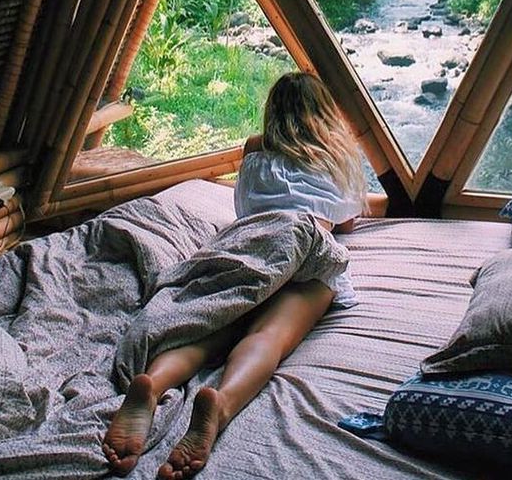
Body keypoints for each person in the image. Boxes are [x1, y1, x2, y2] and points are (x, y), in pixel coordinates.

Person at [103, 72, 369, 478]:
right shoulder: (338, 154)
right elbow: (346, 221)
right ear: (325, 111)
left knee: (213, 326)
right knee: (269, 336)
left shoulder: (256, 149)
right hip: (306, 241)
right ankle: (221, 402)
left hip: (256, 240)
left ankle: (153, 385)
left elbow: (245, 209)